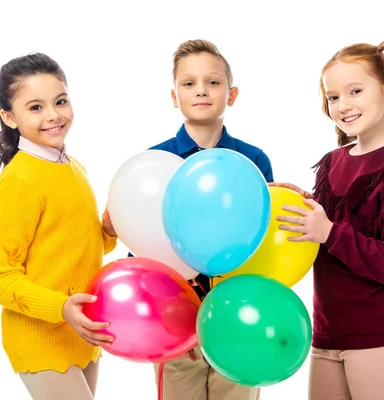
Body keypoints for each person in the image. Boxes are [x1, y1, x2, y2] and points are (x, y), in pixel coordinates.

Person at [272, 40, 384, 400]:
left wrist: (328, 232)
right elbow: (336, 224)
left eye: (355, 91)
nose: (343, 106)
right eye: (333, 97)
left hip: (382, 337)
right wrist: (302, 202)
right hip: (329, 334)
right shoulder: (332, 161)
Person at [0, 52, 118, 400]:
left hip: (82, 331)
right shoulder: (20, 182)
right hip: (41, 338)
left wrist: (107, 231)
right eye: (36, 107)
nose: (54, 115)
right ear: (8, 117)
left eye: (60, 101)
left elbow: (74, 246)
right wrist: (60, 308)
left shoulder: (73, 168)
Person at [148, 39, 273, 400]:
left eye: (213, 82)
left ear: (231, 94)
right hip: (175, 324)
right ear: (174, 96)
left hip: (238, 321)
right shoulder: (156, 163)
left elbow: (261, 242)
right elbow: (146, 247)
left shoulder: (253, 162)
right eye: (188, 83)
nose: (201, 91)